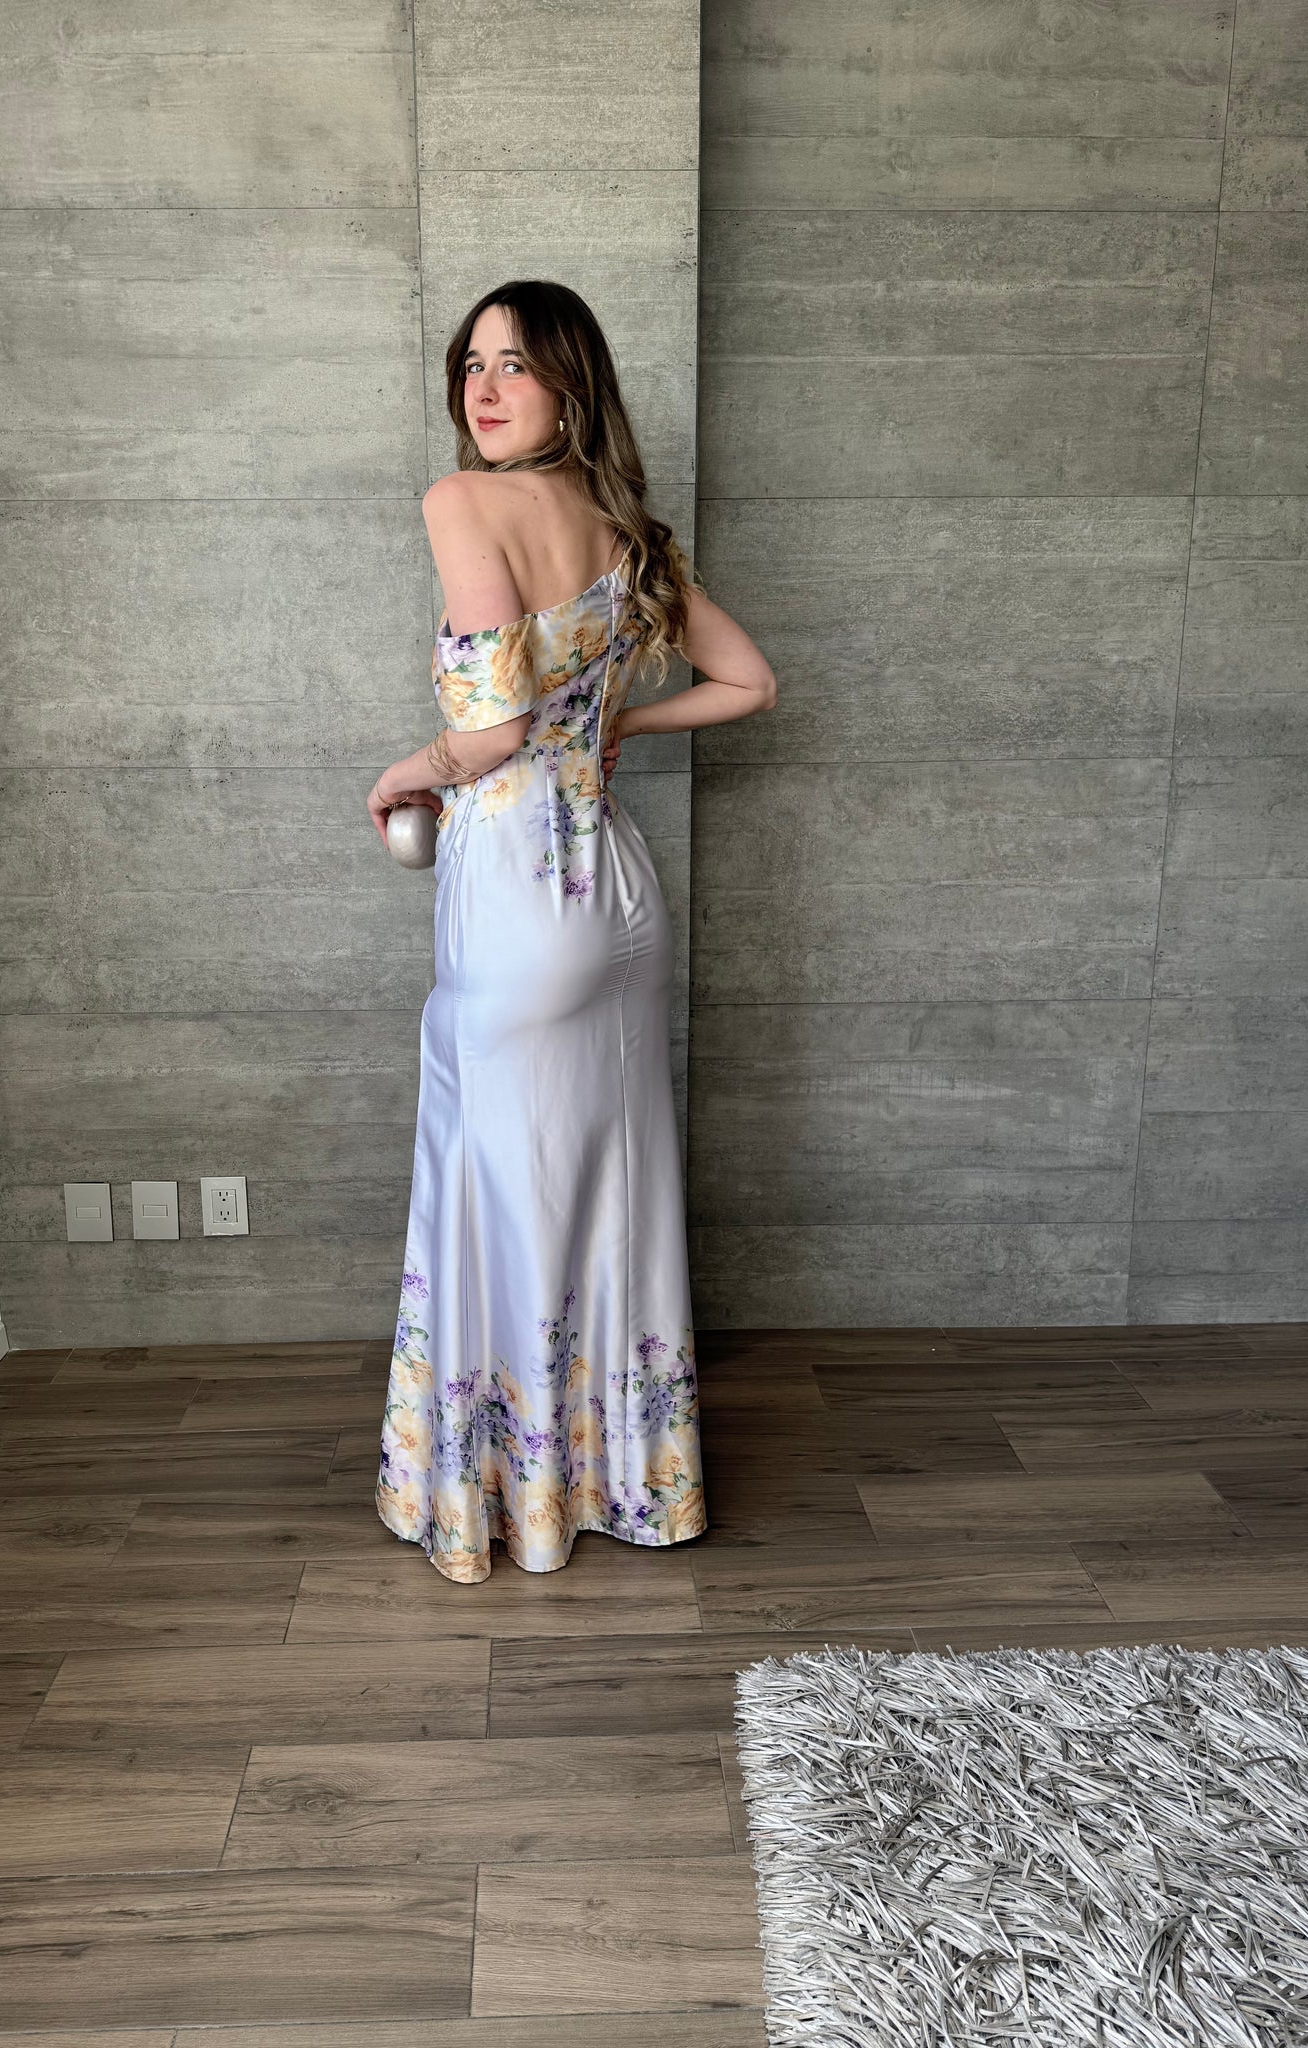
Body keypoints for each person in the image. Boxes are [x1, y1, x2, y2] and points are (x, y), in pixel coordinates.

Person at [366, 279, 777, 1584]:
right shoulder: (626, 534)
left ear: (569, 384)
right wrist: (614, 723)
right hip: (620, 897)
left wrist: (408, 770)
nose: (484, 389)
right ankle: (633, 1489)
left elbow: (491, 732)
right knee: (608, 1198)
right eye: (472, 363)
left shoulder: (460, 501)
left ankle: (513, 1507)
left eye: (516, 364)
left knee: (496, 1193)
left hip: (520, 902)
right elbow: (750, 681)